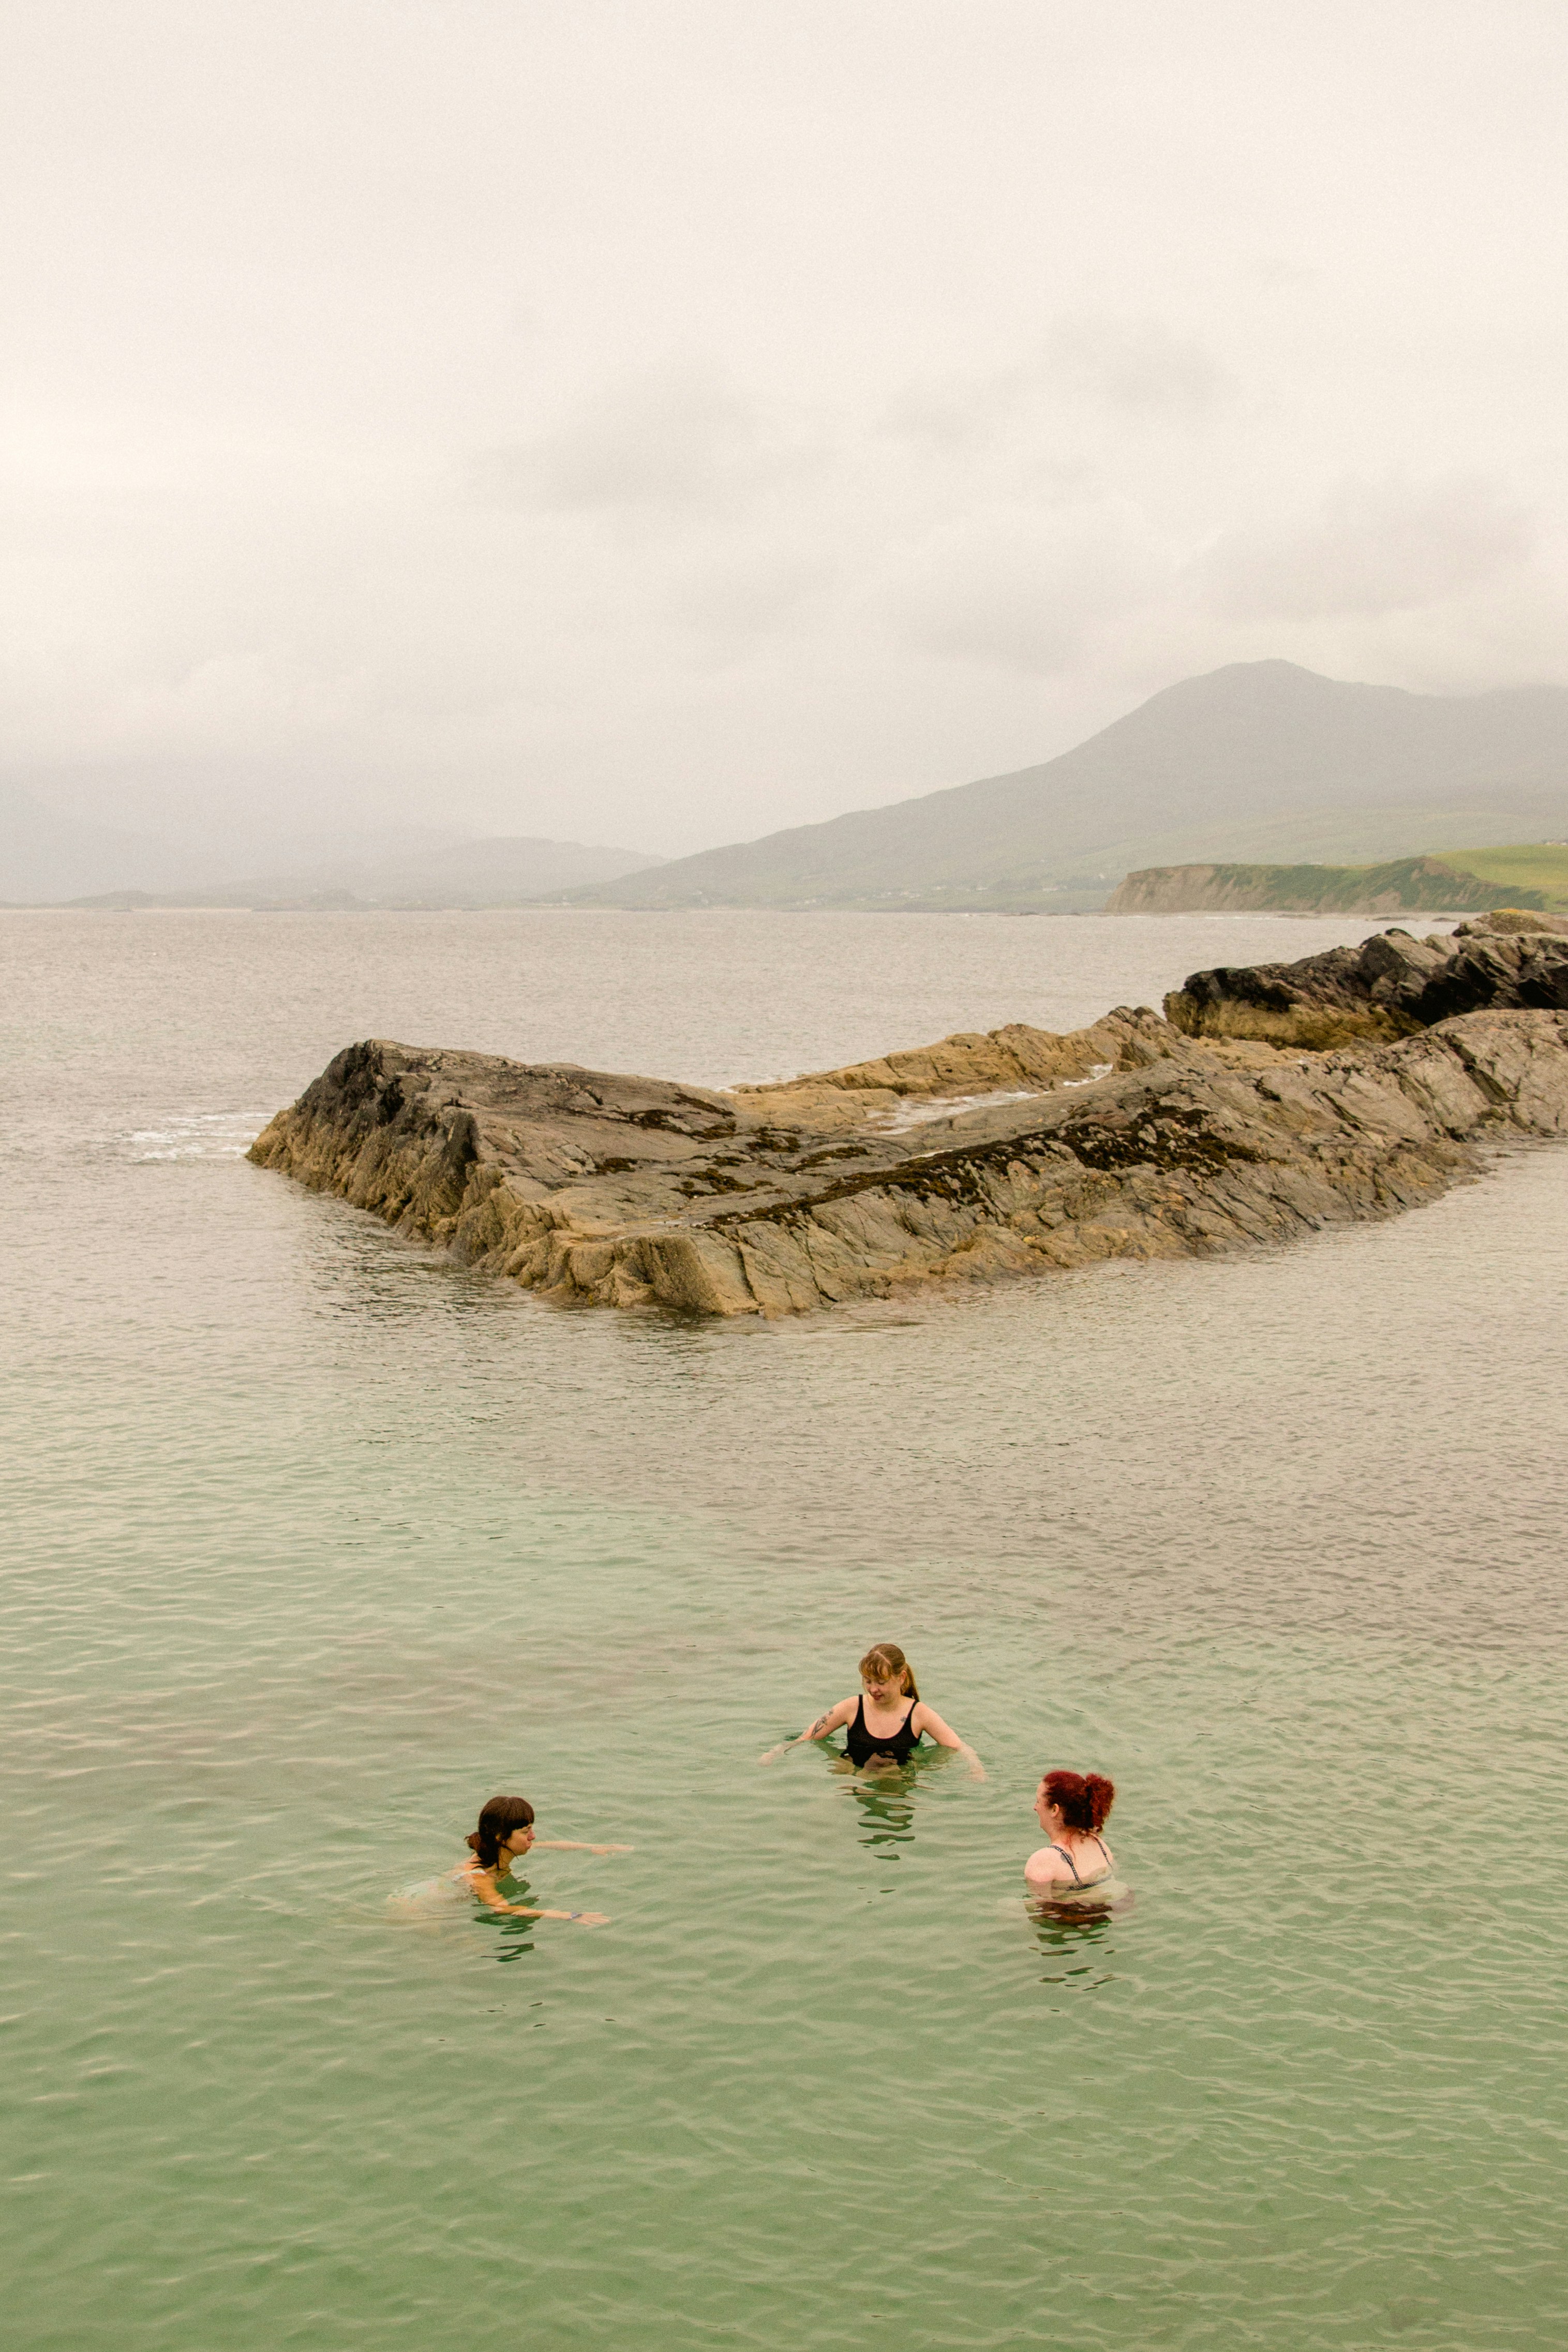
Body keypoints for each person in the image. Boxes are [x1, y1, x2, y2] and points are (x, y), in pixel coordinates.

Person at [759, 1643, 985, 1778]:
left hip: (896, 1777)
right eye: (868, 1681)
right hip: (853, 1775)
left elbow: (957, 1746)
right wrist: (774, 1753)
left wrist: (976, 1770)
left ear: (901, 1678)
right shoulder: (851, 1707)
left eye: (881, 1682)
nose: (873, 1689)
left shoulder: (919, 1714)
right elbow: (808, 1737)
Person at [454, 1794, 629, 1926]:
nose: (533, 1836)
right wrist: (568, 1915)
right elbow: (502, 1908)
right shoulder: (480, 1876)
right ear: (501, 1837)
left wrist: (592, 1847)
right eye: (525, 1832)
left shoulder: (493, 1852)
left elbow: (550, 1845)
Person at [1025, 1769, 1115, 1897]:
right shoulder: (1099, 1844)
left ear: (1054, 1809)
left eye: (1038, 1801)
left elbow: (1039, 1911)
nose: (1035, 1807)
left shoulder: (1043, 1861)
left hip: (1074, 1915)